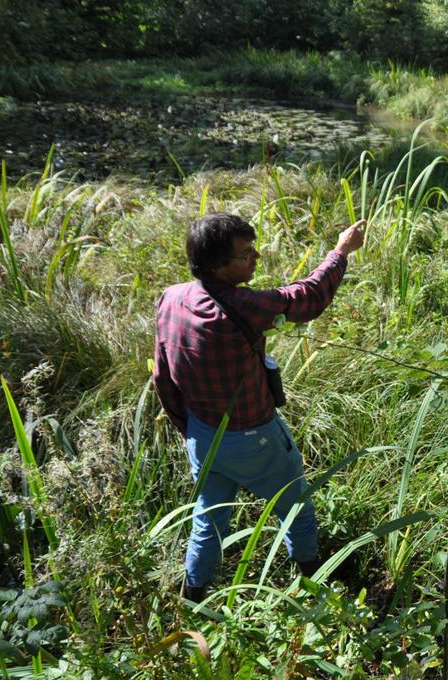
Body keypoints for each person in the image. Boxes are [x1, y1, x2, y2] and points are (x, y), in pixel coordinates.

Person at [152, 212, 365, 602]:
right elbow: (308, 297)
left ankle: (193, 598)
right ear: (217, 265)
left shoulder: (171, 298)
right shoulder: (243, 305)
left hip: (204, 437)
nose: (257, 257)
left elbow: (162, 377)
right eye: (246, 253)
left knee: (209, 519)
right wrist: (340, 251)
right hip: (255, 436)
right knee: (295, 504)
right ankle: (313, 579)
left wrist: (189, 430)